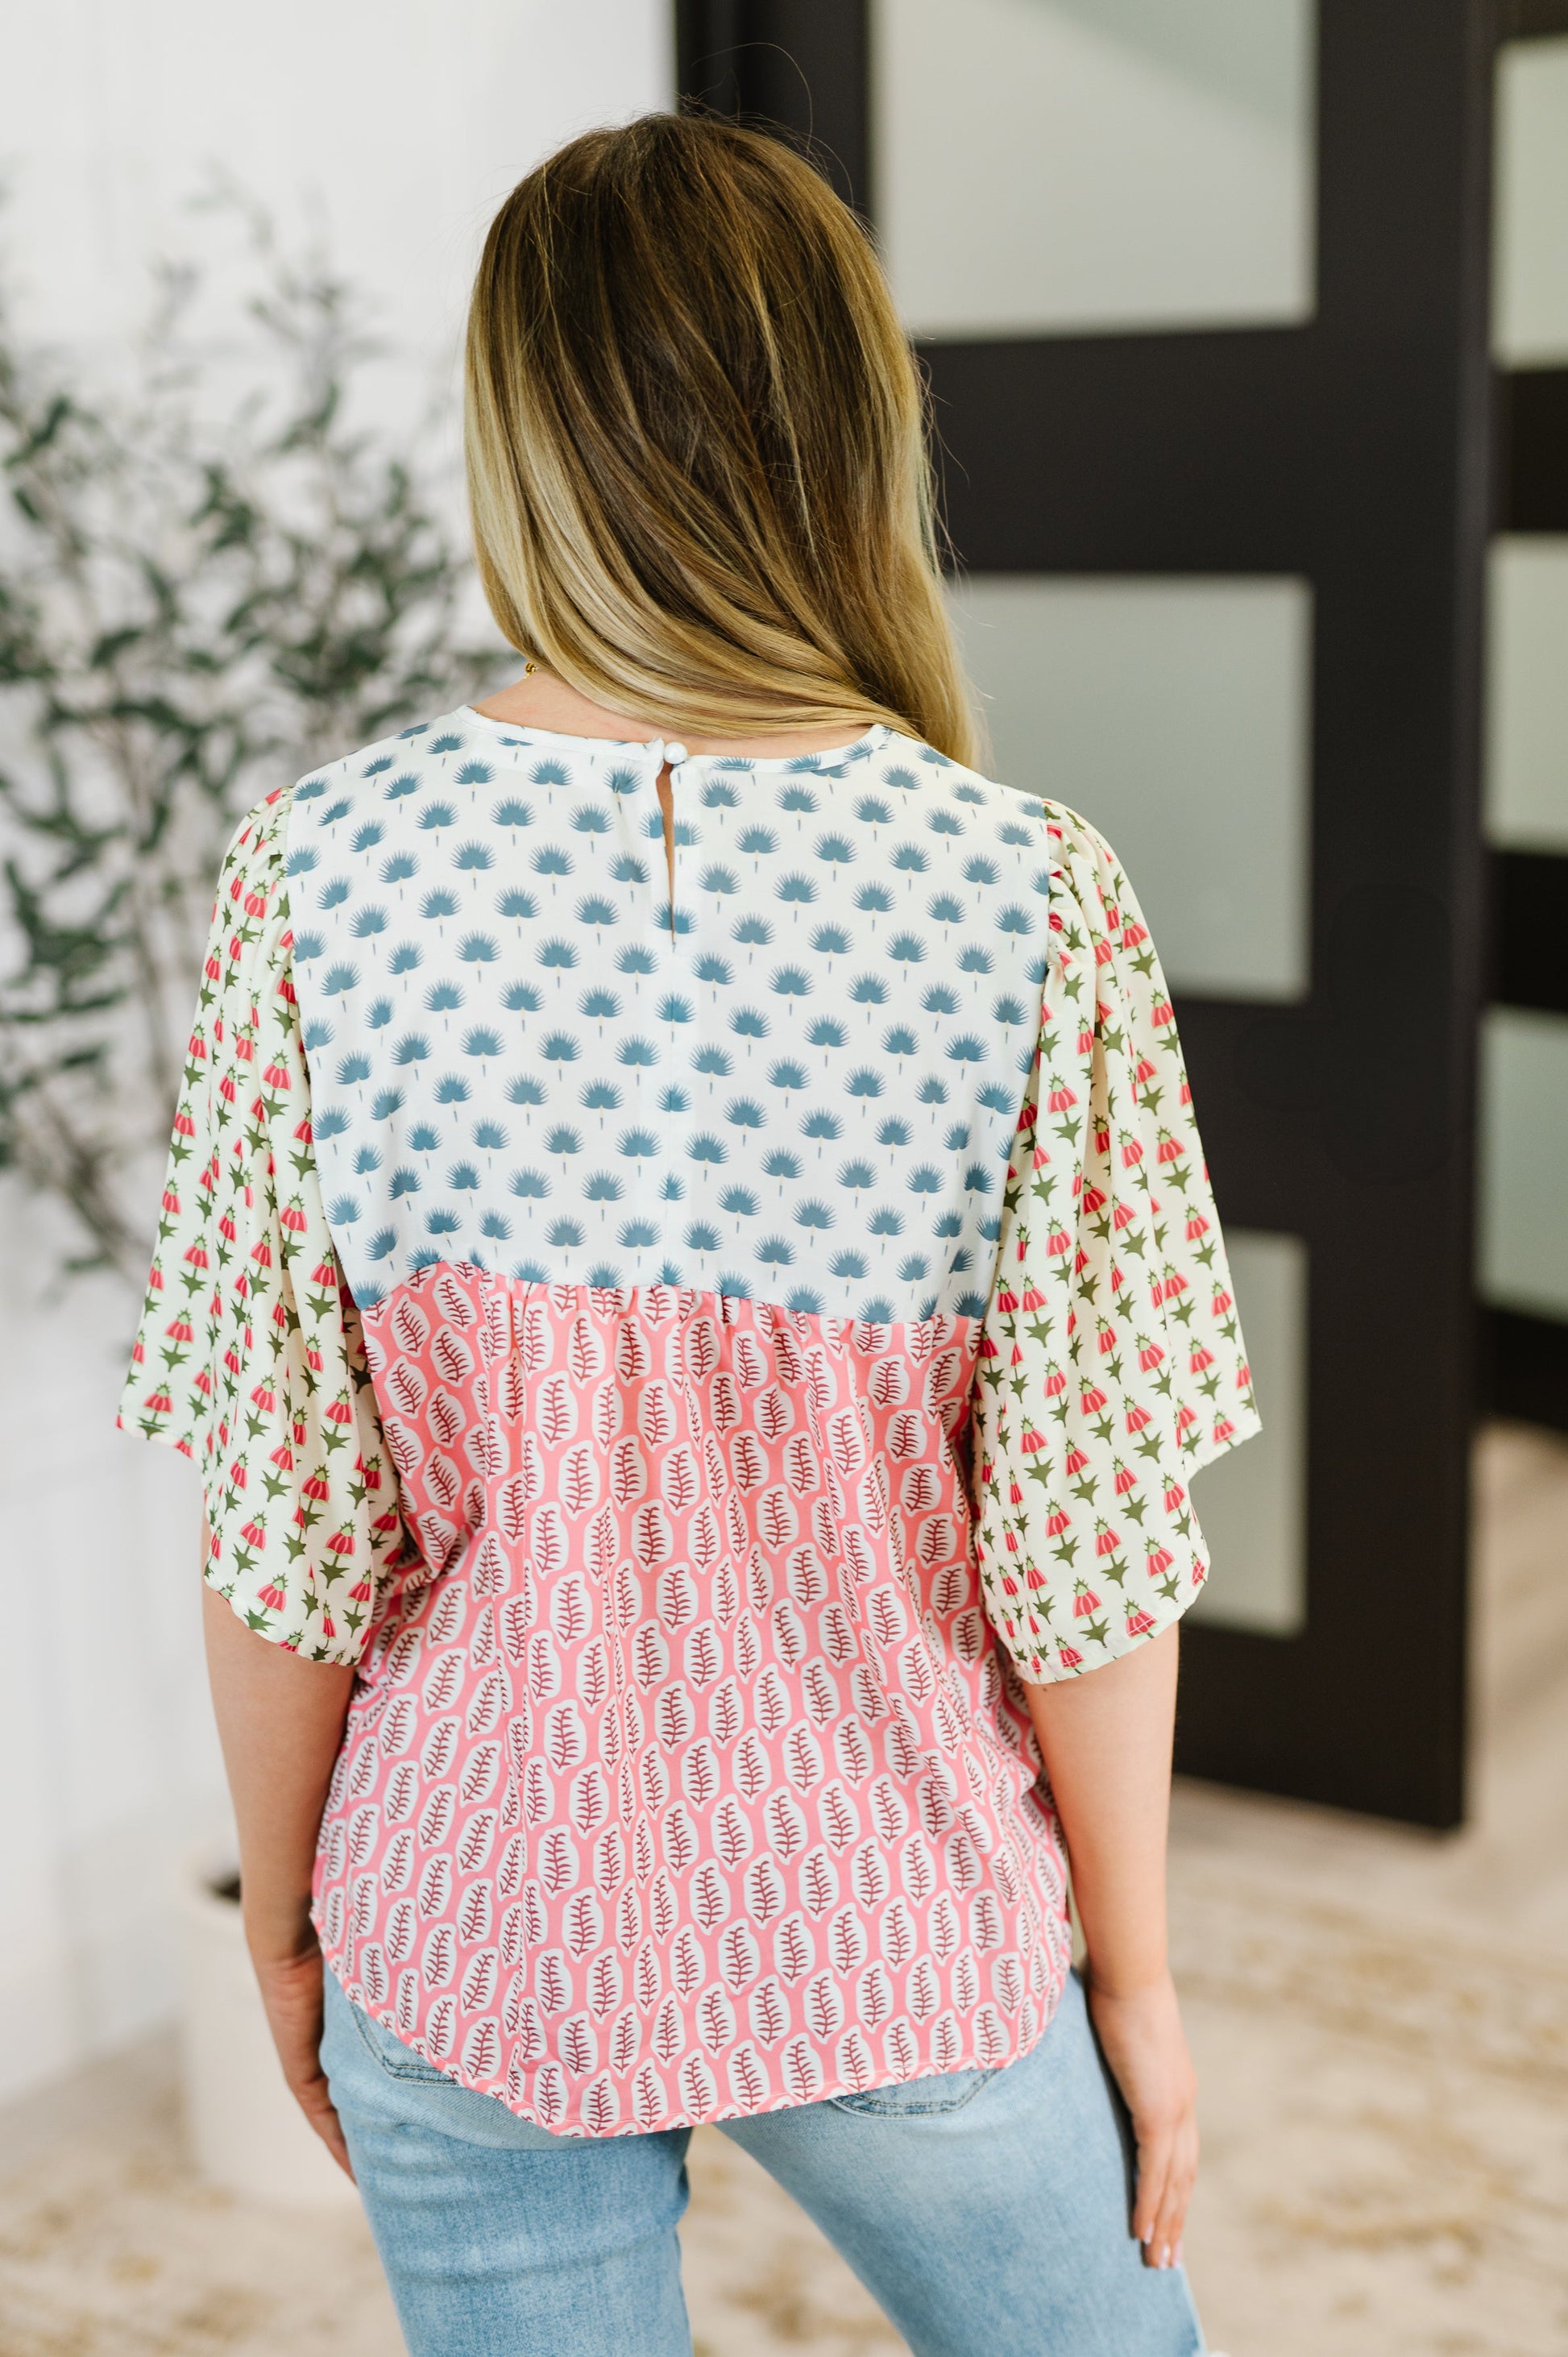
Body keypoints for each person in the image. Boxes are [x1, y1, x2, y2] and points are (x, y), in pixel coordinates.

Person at [120, 112, 1259, 2357]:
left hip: (464, 1912)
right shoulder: (1025, 895)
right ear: (851, 430)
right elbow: (1085, 1547)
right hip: (891, 1908)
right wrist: (1130, 1982)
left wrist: (284, 1919)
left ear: (518, 439)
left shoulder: (315, 877)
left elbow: (285, 1530)